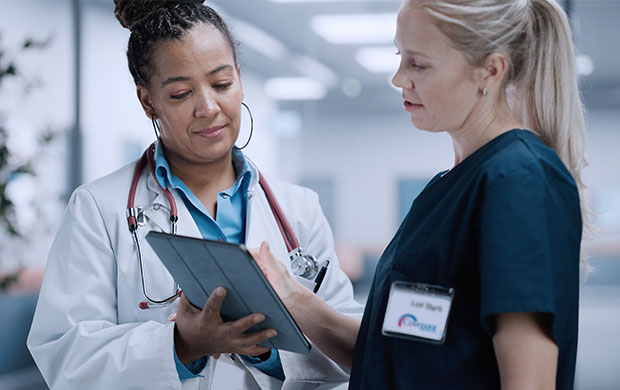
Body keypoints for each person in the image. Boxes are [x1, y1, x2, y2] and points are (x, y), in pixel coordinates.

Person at [252, 0, 587, 388]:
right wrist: (290, 296)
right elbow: (392, 357)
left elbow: (529, 382)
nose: (398, 78)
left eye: (418, 64)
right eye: (400, 57)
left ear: (490, 71)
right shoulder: (448, 187)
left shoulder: (519, 179)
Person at [27, 1, 362, 389]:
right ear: (147, 101)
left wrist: (267, 348)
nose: (208, 108)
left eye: (221, 84)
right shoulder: (99, 209)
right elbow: (66, 356)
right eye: (181, 93)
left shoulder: (298, 209)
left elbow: (348, 349)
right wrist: (182, 345)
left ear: (239, 77)